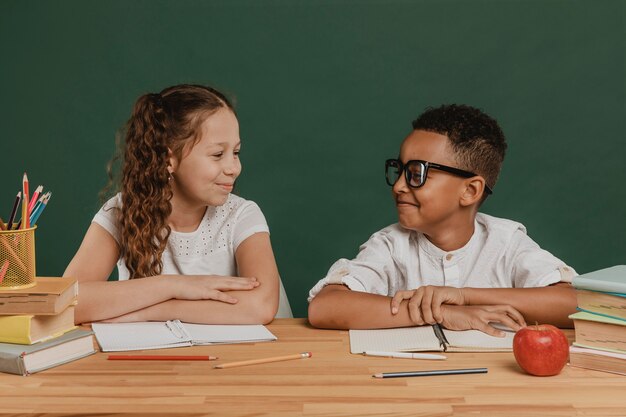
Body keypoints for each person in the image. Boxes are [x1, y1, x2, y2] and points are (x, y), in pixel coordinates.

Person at [308, 104, 577, 335]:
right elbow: (325, 306)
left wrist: (464, 298)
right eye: (399, 170)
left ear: (470, 190)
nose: (399, 186)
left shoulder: (506, 241)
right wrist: (439, 313)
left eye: (416, 173)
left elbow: (576, 303)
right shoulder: (391, 246)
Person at [65, 84, 292, 324]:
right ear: (167, 159)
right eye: (217, 155)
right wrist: (175, 286)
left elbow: (261, 306)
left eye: (236, 152)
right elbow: (67, 302)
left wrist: (149, 312)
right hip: (156, 359)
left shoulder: (242, 215)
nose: (234, 168)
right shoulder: (121, 211)